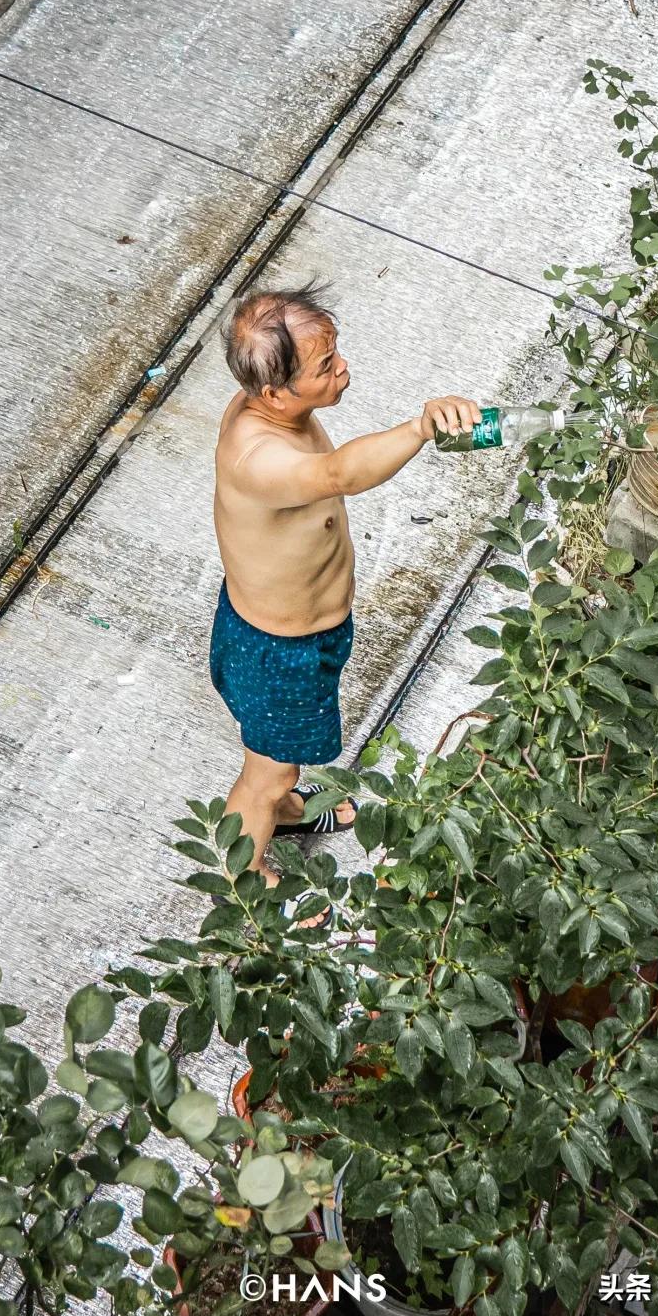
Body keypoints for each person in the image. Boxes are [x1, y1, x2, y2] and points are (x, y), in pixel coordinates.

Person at [210, 279, 481, 922]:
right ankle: (243, 873)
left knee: (283, 760)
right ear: (272, 390)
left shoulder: (282, 409)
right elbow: (341, 476)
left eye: (335, 353)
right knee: (265, 771)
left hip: (309, 631)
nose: (343, 369)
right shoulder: (257, 455)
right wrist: (421, 427)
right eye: (326, 366)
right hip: (277, 647)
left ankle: (289, 810)